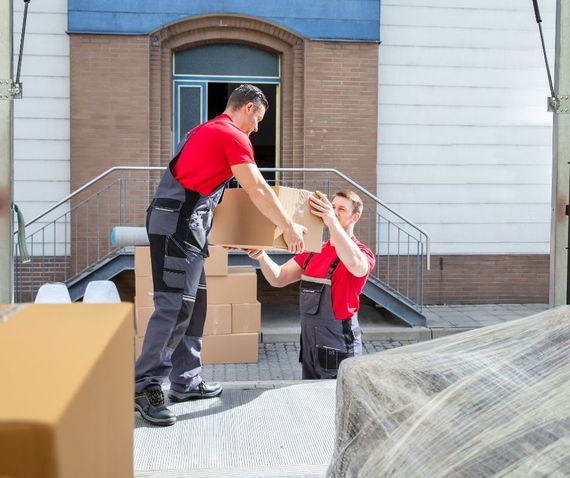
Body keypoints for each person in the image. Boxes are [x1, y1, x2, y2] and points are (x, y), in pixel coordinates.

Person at [135, 84, 307, 426]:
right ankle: (145, 384)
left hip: (189, 224)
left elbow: (211, 193)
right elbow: (256, 187)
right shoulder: (230, 135)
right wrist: (288, 225)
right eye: (258, 118)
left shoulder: (206, 131)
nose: (257, 128)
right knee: (174, 306)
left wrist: (232, 234)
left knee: (194, 304)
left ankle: (186, 381)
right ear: (246, 108)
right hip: (177, 225)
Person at [246, 190, 375, 379]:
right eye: (332, 207)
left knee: (336, 399)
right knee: (312, 398)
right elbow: (279, 278)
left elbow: (356, 266)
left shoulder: (362, 253)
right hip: (310, 344)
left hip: (338, 344)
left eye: (341, 209)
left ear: (355, 217)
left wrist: (331, 221)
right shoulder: (314, 250)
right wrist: (261, 256)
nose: (334, 211)